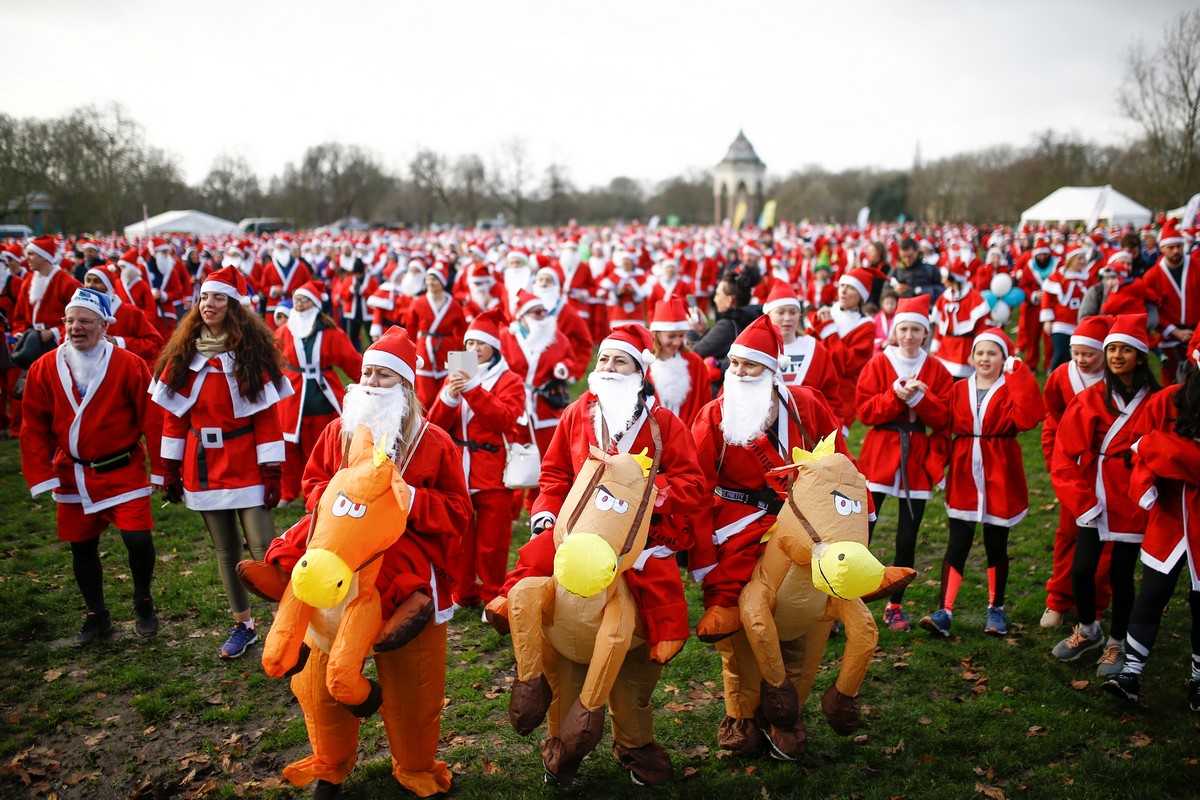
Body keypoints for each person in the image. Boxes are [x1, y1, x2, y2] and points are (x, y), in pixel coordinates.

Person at [257, 326, 471, 798]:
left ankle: (414, 765)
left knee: (414, 682)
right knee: (317, 680)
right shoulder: (337, 431)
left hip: (407, 565)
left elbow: (459, 511)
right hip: (337, 562)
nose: (371, 382)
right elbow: (314, 484)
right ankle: (330, 762)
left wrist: (409, 501)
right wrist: (345, 504)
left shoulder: (434, 442)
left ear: (406, 387)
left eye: (384, 375)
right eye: (366, 373)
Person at [491, 324, 709, 664]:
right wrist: (546, 510)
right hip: (579, 521)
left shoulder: (664, 423)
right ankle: (510, 599)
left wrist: (647, 493)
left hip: (636, 525)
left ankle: (666, 632)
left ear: (639, 372)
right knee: (537, 550)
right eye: (604, 359)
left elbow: (693, 483)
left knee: (653, 570)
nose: (608, 368)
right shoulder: (577, 412)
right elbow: (555, 472)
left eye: (620, 362)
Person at [151, 266, 292, 660]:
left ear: (233, 307)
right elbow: (174, 417)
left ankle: (289, 621)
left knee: (264, 547)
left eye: (218, 298)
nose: (208, 305)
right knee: (225, 550)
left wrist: (272, 472)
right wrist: (169, 468)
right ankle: (243, 624)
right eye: (204, 298)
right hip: (203, 464)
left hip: (246, 462)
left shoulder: (250, 356)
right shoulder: (184, 355)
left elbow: (266, 419)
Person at [689, 315, 858, 642]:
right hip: (738, 513)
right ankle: (725, 603)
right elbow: (698, 482)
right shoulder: (713, 414)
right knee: (737, 559)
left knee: (831, 550)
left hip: (801, 507)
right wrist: (701, 552)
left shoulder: (806, 403)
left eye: (750, 366)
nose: (738, 372)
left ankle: (835, 599)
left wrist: (852, 501)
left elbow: (841, 459)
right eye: (734, 363)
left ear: (771, 370)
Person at [19, 288, 163, 644]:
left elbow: (153, 419)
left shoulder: (129, 364)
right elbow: (33, 425)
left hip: (123, 468)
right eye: (70, 320)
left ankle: (143, 600)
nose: (75, 328)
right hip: (73, 473)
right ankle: (96, 614)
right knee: (81, 547)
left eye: (85, 320)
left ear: (103, 325)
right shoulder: (44, 368)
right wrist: (40, 475)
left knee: (138, 540)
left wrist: (161, 469)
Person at [1051, 315, 1160, 676]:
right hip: (1095, 492)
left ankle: (1117, 643)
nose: (1116, 355)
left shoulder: (1156, 401)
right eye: (1111, 348)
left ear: (1140, 356)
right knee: (1081, 570)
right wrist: (1082, 499)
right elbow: (1064, 452)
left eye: (1124, 349)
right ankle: (1088, 630)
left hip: (1132, 496)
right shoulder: (1091, 398)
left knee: (1120, 573)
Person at [919, 329, 1045, 638]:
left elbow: (1030, 417)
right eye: (980, 353)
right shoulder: (959, 388)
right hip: (964, 470)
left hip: (999, 468)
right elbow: (941, 423)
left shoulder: (1010, 387)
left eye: (992, 353)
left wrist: (1020, 376)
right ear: (971, 357)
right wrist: (938, 467)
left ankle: (996, 608)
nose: (985, 359)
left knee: (996, 543)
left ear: (1005, 358)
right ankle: (944, 611)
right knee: (957, 541)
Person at [1103, 327, 1200, 709]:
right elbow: (1138, 449)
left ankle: (1198, 678)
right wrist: (1146, 475)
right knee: (1152, 593)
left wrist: (1162, 448)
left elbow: (1152, 445)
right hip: (1170, 512)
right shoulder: (1168, 402)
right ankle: (1131, 671)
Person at [856, 296, 953, 633]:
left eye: (916, 329)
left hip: (916, 454)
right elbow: (864, 412)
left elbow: (943, 418)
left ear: (925, 333)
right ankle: (848, 595)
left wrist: (919, 399)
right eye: (904, 329)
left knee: (908, 535)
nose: (910, 336)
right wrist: (894, 396)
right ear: (895, 331)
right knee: (864, 525)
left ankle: (895, 604)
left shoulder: (937, 368)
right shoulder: (879, 363)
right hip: (881, 448)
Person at [427, 308, 524, 609]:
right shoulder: (455, 378)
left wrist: (472, 390)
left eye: (480, 344)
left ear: (494, 346)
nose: (474, 350)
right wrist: (451, 397)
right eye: (469, 344)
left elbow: (504, 419)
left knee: (493, 542)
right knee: (460, 539)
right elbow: (435, 425)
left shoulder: (510, 380)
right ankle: (462, 592)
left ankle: (493, 593)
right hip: (459, 470)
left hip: (494, 470)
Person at [1040, 316, 1113, 628]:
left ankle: (1094, 605)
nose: (1081, 360)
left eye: (1089, 354)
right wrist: (1057, 464)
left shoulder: (1116, 379)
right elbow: (1053, 419)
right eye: (1076, 353)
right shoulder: (1061, 376)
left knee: (1108, 538)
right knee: (1068, 534)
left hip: (1108, 471)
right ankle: (1058, 599)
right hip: (1072, 470)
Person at [275, 282, 362, 506]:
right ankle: (287, 491)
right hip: (292, 395)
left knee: (321, 446)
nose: (300, 305)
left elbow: (351, 361)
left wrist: (369, 381)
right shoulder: (285, 330)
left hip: (322, 395)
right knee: (289, 446)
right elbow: (271, 361)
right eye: (296, 300)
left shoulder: (331, 332)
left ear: (314, 304)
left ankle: (319, 491)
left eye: (305, 300)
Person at [806, 266, 882, 431]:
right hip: (813, 390)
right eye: (842, 286)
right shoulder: (827, 312)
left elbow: (846, 364)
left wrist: (827, 330)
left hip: (840, 397)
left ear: (861, 296)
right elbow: (808, 349)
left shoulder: (866, 326)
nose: (844, 291)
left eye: (851, 288)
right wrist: (814, 325)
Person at [762, 282, 842, 421]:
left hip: (809, 428)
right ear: (768, 315)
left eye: (793, 312)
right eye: (781, 312)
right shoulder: (759, 348)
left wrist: (833, 426)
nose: (787, 318)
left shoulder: (815, 348)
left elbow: (831, 394)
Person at [1137, 218, 1198, 385]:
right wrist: (1174, 331)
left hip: (1197, 334)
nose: (1176, 251)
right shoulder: (1151, 276)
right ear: (1162, 248)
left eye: (1179, 246)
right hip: (1168, 337)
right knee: (1170, 385)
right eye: (1171, 247)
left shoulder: (1197, 267)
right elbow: (1151, 311)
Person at [406, 263, 467, 410]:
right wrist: (410, 350)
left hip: (447, 348)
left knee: (449, 388)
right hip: (424, 349)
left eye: (434, 279)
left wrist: (462, 354)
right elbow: (411, 328)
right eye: (428, 279)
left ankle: (447, 424)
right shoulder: (418, 302)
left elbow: (462, 330)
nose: (430, 283)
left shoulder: (454, 305)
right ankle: (426, 424)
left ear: (442, 283)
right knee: (425, 393)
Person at [10, 235, 81, 356]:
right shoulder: (28, 283)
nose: (26, 259)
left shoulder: (68, 283)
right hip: (33, 344)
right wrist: (20, 333)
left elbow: (80, 317)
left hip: (60, 346)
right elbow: (20, 317)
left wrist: (54, 332)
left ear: (44, 257)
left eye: (31, 254)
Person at [687, 266, 763, 379]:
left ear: (729, 301)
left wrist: (692, 332)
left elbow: (695, 353)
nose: (715, 299)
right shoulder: (750, 318)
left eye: (718, 295)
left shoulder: (727, 325)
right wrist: (704, 330)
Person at [81, 266, 164, 366]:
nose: (90, 285)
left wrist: (120, 342)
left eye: (97, 281)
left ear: (108, 286)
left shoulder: (129, 312)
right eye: (88, 281)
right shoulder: (77, 311)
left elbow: (156, 345)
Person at [647, 297, 711, 424]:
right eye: (671, 336)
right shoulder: (644, 364)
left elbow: (705, 404)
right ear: (657, 334)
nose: (677, 342)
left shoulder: (695, 363)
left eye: (681, 335)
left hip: (688, 436)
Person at [930, 260, 991, 379]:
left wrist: (976, 353)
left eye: (944, 277)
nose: (942, 280)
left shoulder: (974, 298)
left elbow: (981, 331)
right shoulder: (944, 298)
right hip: (945, 350)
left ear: (953, 278)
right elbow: (939, 327)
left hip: (964, 351)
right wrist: (934, 348)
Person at [1039, 243, 1092, 371]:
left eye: (1083, 258)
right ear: (1070, 260)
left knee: (1076, 355)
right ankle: (1054, 379)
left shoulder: (1087, 277)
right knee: (1061, 353)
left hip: (1080, 322)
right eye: (1079, 258)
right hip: (1060, 323)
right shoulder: (1058, 277)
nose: (1082, 261)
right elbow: (1046, 299)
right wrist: (1047, 320)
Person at [1014, 234, 1056, 373]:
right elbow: (1023, 285)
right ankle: (1031, 364)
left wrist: (1051, 294)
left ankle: (1049, 364)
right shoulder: (1029, 267)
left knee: (1050, 338)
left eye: (1045, 254)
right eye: (1040, 255)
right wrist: (1033, 296)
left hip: (1052, 307)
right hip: (1034, 307)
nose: (1042, 257)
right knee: (1032, 336)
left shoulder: (1057, 265)